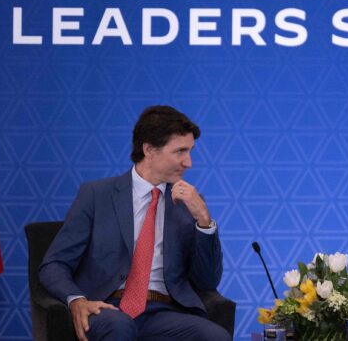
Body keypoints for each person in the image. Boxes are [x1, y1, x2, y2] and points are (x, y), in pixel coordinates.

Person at [39, 105, 231, 341]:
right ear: (149, 149)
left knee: (215, 337)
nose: (188, 162)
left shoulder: (189, 204)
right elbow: (54, 264)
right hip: (106, 308)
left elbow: (207, 280)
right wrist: (76, 300)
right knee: (120, 327)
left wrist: (204, 220)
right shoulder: (96, 195)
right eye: (180, 151)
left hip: (163, 312)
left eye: (190, 151)